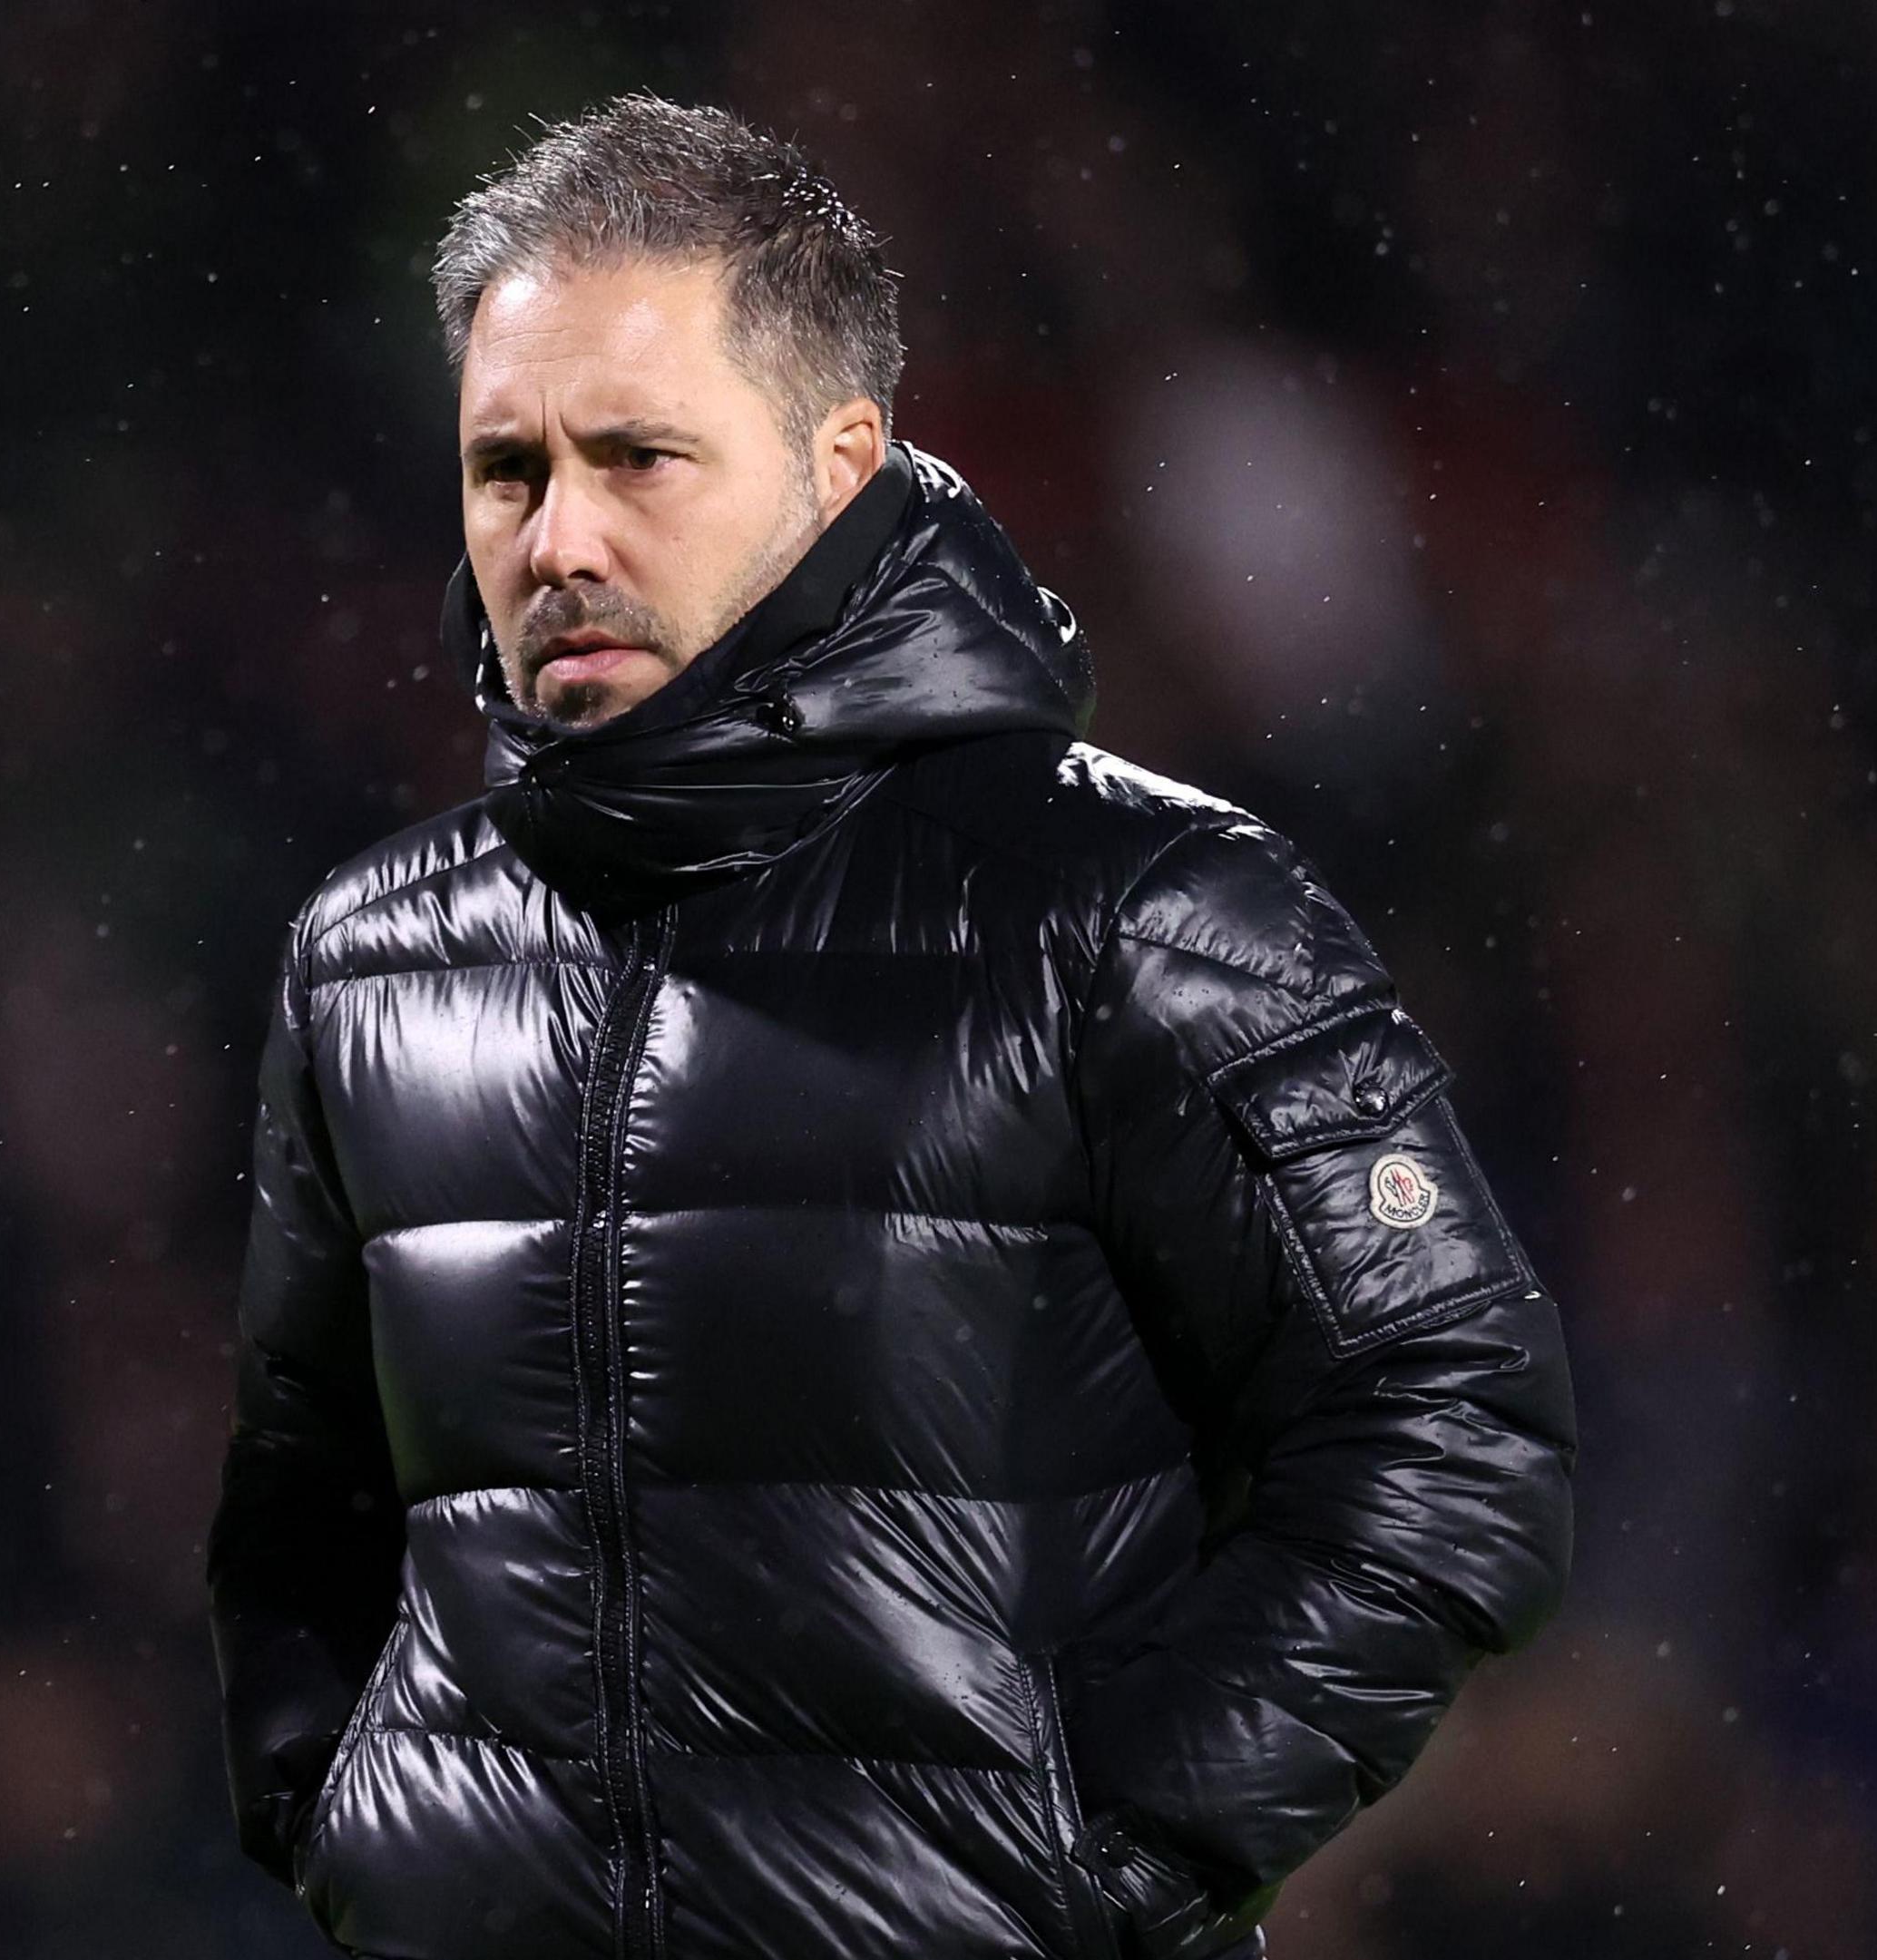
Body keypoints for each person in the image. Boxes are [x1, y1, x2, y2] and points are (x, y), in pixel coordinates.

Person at [206, 93, 1576, 1960]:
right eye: (508, 467)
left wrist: (1082, 1866)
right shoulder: (371, 963)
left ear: (839, 465)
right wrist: (364, 1831)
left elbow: (1456, 1429)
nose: (560, 537)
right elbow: (305, 1520)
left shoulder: (1140, 908)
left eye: (639, 457)